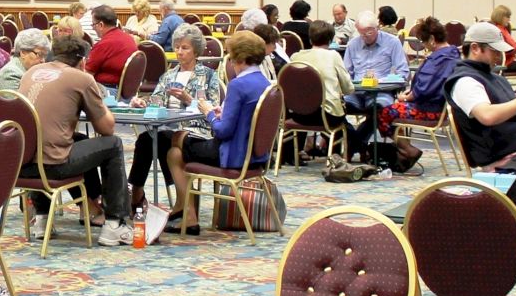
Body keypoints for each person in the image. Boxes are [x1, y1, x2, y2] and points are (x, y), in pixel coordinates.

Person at [21, 32, 133, 246]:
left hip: (21, 164)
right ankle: (114, 224)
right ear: (82, 60)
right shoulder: (81, 78)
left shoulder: (31, 72)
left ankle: (43, 219)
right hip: (54, 166)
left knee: (75, 139)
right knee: (114, 144)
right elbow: (107, 128)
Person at [167, 30, 273, 233]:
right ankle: (187, 213)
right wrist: (221, 112)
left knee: (176, 140)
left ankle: (188, 214)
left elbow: (222, 131)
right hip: (256, 157)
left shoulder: (238, 85)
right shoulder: (264, 83)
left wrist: (208, 113)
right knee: (175, 153)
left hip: (232, 156)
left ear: (239, 57)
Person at [127, 26, 222, 217]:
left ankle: (136, 194)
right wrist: (142, 103)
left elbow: (213, 109)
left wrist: (189, 100)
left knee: (148, 140)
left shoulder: (209, 75)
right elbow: (156, 101)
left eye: (185, 48)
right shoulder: (169, 75)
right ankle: (142, 193)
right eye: (177, 47)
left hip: (196, 132)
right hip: (168, 129)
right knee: (147, 139)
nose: (179, 52)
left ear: (196, 50)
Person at [445, 22, 516, 169]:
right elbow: (487, 116)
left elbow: (501, 100)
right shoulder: (465, 81)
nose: (498, 56)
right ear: (475, 48)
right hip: (508, 159)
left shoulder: (492, 77)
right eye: (494, 50)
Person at [379, 17, 457, 148]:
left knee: (383, 113)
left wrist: (405, 97)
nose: (424, 45)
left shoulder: (436, 61)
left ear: (432, 40)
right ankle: (403, 146)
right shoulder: (454, 54)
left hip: (429, 110)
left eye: (423, 41)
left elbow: (422, 91)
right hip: (443, 109)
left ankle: (406, 150)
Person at [341, 11, 408, 160]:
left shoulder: (392, 42)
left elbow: (403, 72)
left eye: (368, 33)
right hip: (356, 92)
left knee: (381, 108)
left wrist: (388, 82)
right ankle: (359, 142)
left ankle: (354, 143)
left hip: (381, 91)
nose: (364, 38)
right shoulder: (353, 44)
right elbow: (346, 73)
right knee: (337, 107)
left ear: (377, 28)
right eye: (361, 34)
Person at [287, 19, 353, 147]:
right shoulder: (333, 56)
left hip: (298, 114)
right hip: (326, 116)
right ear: (330, 40)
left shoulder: (295, 57)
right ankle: (339, 151)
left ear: (310, 39)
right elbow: (348, 89)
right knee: (341, 119)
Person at [83, 4, 137, 89]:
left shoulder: (104, 44)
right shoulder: (129, 38)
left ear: (100, 25)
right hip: (127, 90)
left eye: (93, 24)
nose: (93, 28)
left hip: (108, 90)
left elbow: (87, 74)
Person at [0, 27, 48, 98]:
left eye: (45, 55)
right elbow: (17, 107)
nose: (43, 60)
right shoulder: (11, 74)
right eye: (39, 55)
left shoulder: (28, 70)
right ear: (23, 53)